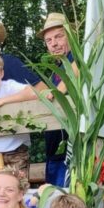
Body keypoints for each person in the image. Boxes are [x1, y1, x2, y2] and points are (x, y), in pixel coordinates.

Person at [37, 12, 73, 187]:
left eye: (59, 36)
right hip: (54, 150)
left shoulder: (78, 61)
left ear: (71, 36)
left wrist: (56, 92)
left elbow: (76, 70)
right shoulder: (55, 71)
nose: (54, 44)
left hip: (73, 151)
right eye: (49, 41)